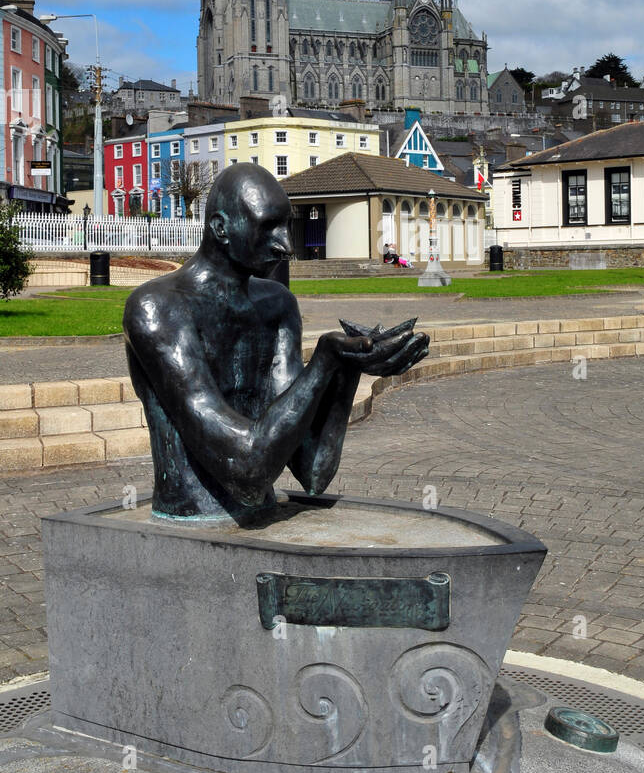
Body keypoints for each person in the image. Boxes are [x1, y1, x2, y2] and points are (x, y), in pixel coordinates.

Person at [124, 164, 429, 523]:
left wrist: (346, 368)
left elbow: (313, 472)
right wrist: (324, 362)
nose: (286, 245)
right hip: (193, 516)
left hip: (262, 509)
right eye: (268, 227)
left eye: (286, 226)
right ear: (221, 228)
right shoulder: (157, 308)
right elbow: (246, 470)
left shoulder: (277, 304)